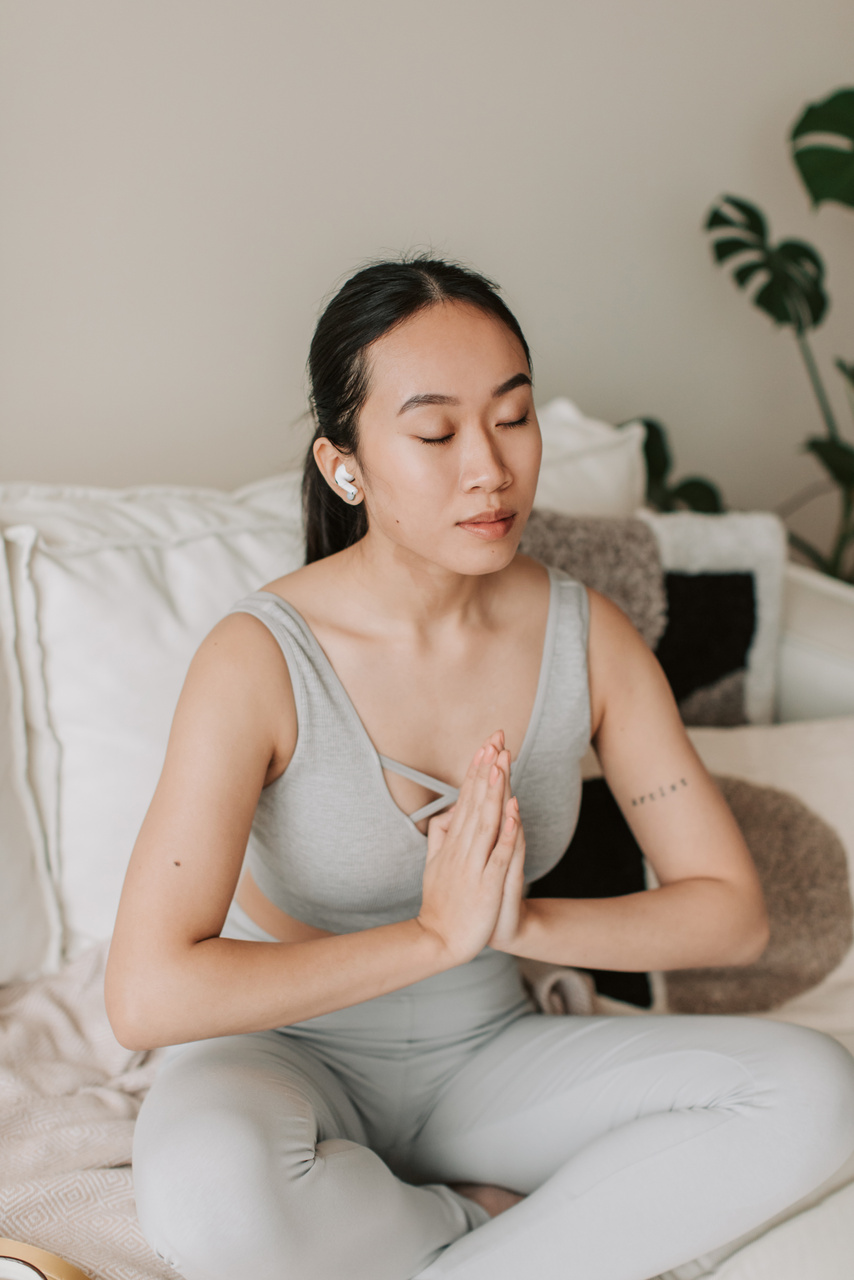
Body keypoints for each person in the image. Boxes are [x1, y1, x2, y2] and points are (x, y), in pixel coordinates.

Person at [105, 255, 854, 1280]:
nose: (489, 469)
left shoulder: (585, 635)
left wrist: (509, 924)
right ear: (345, 465)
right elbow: (146, 993)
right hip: (282, 1049)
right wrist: (426, 936)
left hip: (486, 1051)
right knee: (209, 1196)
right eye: (433, 431)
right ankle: (466, 1225)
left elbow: (729, 912)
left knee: (815, 1091)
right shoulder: (258, 657)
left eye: (511, 415)